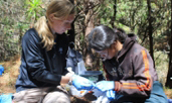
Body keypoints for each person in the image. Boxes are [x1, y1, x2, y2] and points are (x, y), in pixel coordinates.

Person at [13, 0, 94, 103]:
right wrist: (70, 80)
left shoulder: (62, 39)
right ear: (52, 17)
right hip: (30, 89)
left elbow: (61, 70)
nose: (69, 27)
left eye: (71, 23)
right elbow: (37, 72)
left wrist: (73, 76)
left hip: (53, 90)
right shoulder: (32, 36)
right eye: (66, 23)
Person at [87, 25, 168, 103]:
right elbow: (111, 81)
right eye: (99, 53)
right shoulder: (107, 60)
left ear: (114, 43)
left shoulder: (137, 52)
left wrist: (115, 86)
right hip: (125, 96)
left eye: (103, 52)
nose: (102, 56)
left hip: (151, 95)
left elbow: (145, 87)